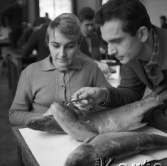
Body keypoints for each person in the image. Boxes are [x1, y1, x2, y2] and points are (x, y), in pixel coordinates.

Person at [72, 0, 167, 130]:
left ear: (142, 34)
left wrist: (139, 112)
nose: (110, 51)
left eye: (117, 41)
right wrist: (103, 95)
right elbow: (131, 92)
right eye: (107, 43)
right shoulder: (132, 53)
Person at [9, 13, 110, 126]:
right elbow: (14, 115)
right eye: (56, 46)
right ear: (48, 43)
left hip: (81, 137)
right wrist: (44, 116)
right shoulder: (30, 73)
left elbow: (111, 102)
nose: (62, 54)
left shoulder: (92, 69)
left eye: (70, 46)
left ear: (78, 45)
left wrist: (93, 106)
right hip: (41, 140)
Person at [78, 7, 110, 75]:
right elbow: (78, 55)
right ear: (79, 24)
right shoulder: (75, 38)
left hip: (94, 72)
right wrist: (97, 63)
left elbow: (97, 57)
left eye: (92, 24)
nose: (90, 28)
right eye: (87, 25)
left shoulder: (95, 36)